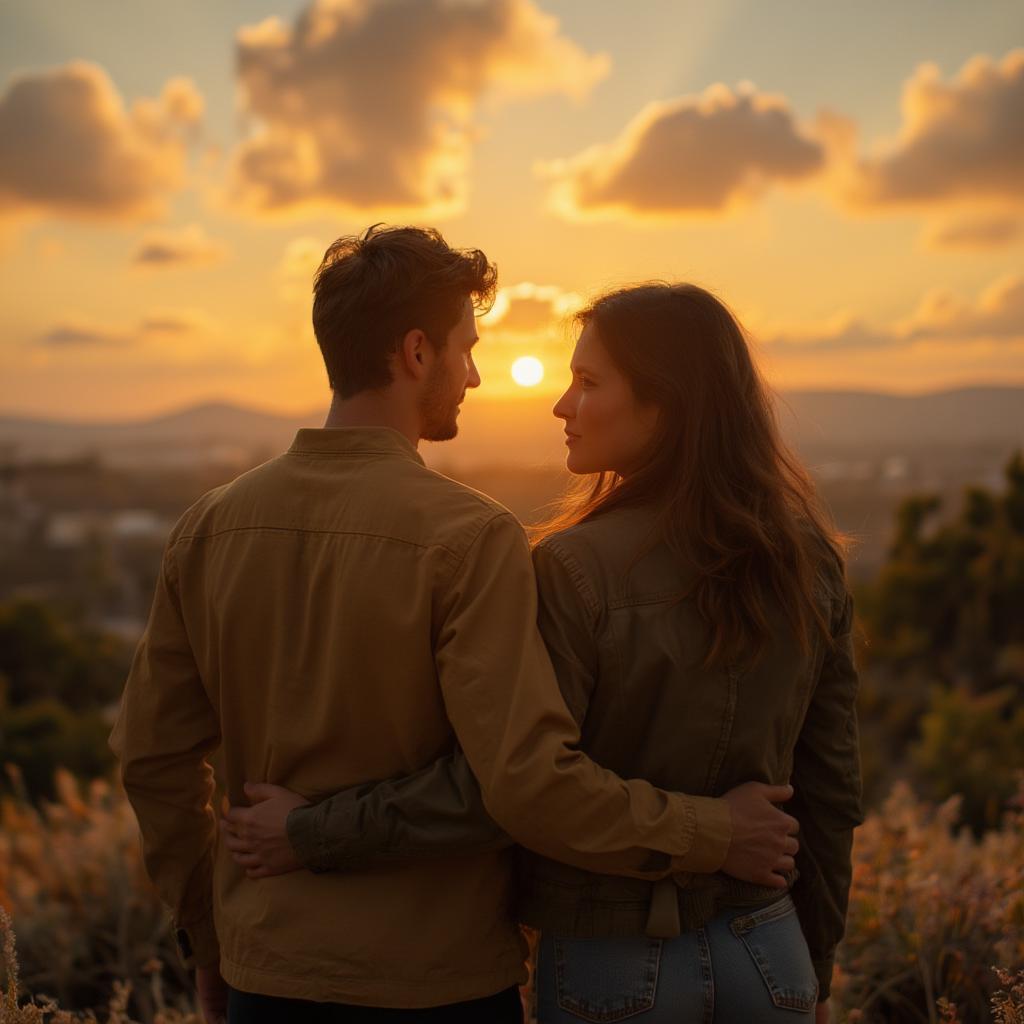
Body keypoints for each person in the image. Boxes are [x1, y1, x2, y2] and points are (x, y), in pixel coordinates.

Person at [110, 229, 802, 1024]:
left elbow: (150, 758)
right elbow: (526, 783)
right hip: (438, 986)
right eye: (465, 349)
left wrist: (210, 935)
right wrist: (715, 831)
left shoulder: (207, 528)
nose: (474, 374)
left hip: (267, 978)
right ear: (414, 353)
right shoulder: (470, 538)